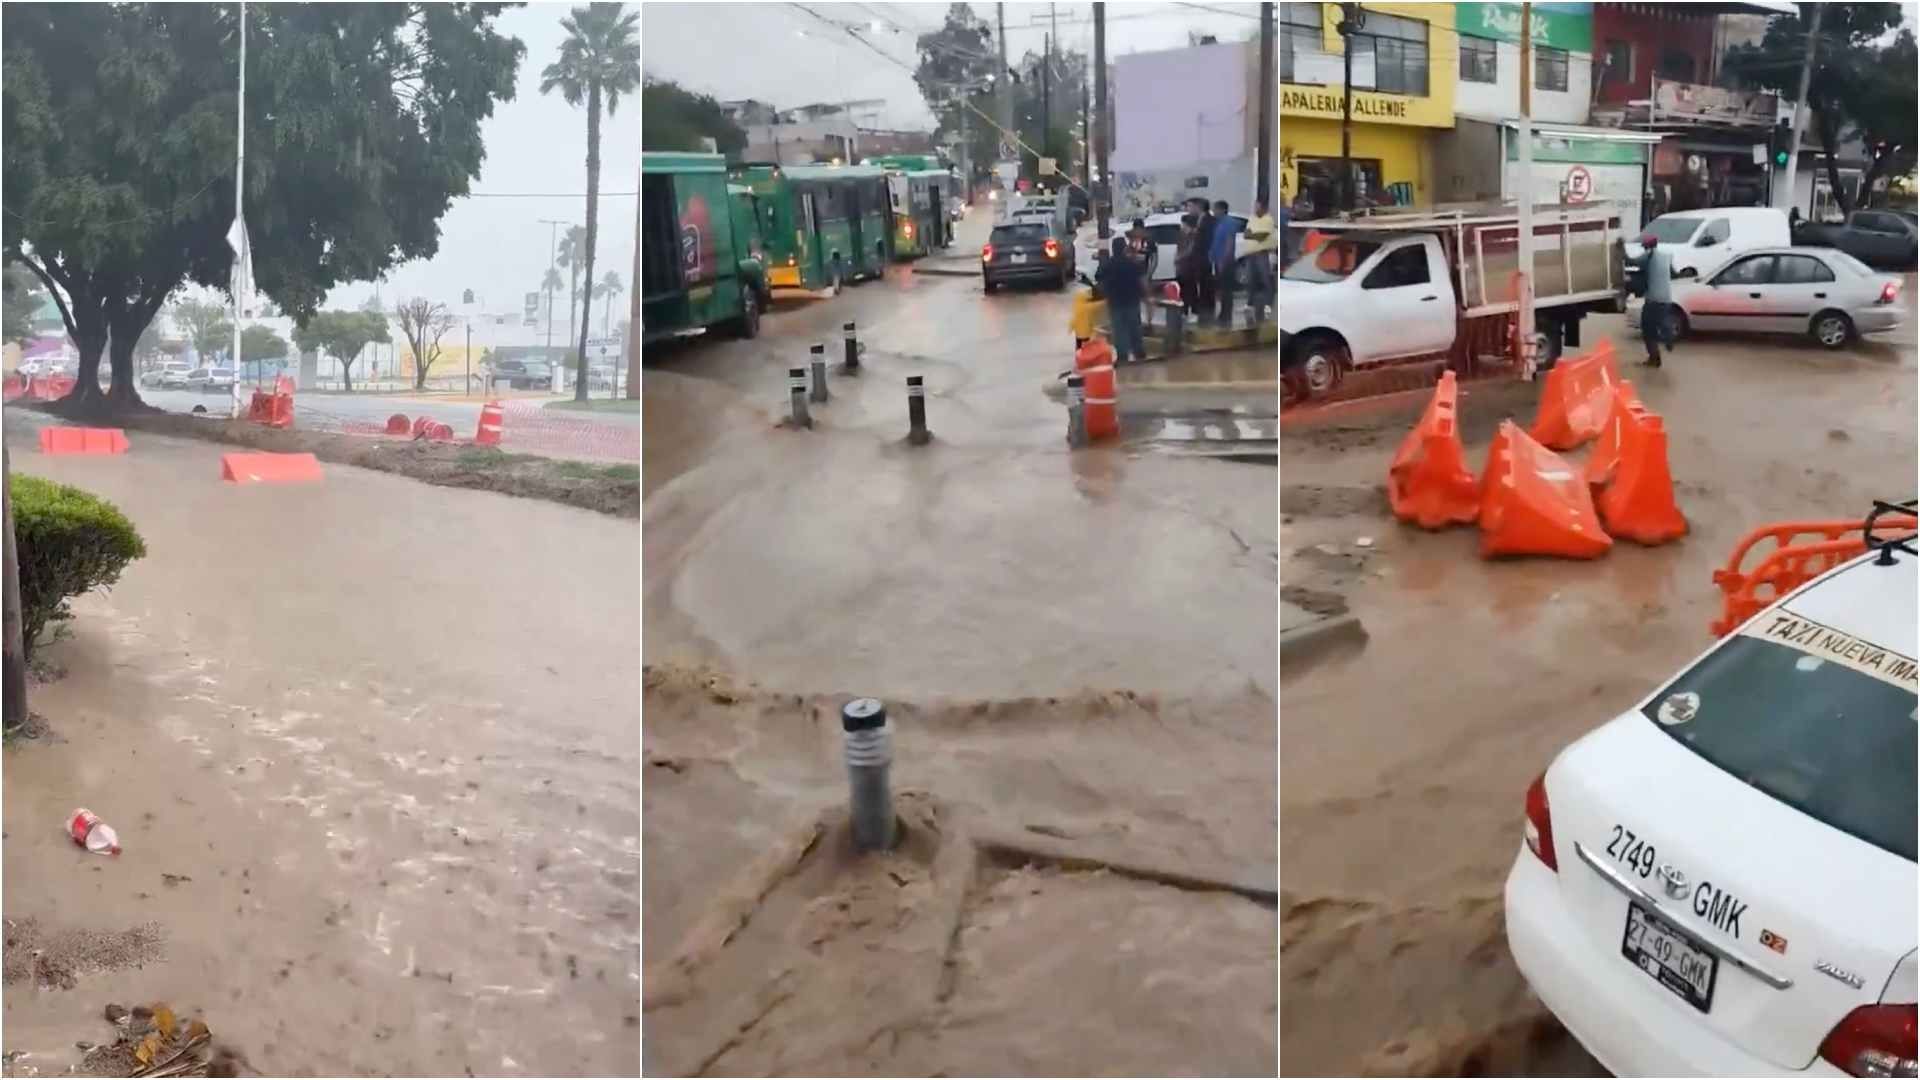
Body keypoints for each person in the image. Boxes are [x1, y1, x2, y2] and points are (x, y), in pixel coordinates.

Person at [1096, 235, 1146, 365]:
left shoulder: (1108, 265)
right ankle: (1139, 353)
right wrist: (1146, 295)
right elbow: (1141, 280)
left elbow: (1099, 279)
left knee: (1119, 330)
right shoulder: (1132, 264)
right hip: (1132, 300)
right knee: (1134, 327)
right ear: (1124, 248)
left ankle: (1123, 356)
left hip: (1115, 302)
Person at [1639, 232, 1675, 368]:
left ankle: (1654, 359)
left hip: (1653, 300)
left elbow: (1632, 261)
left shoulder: (1649, 255)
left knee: (1647, 330)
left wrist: (1620, 250)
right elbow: (1673, 273)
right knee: (1661, 321)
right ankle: (1668, 335)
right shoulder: (1667, 257)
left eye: (1644, 247)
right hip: (1667, 299)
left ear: (1647, 247)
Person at [1209, 199, 1245, 325]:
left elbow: (1229, 243)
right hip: (1218, 260)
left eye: (1216, 209)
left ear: (1223, 210)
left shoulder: (1229, 223)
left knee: (1226, 290)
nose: (1214, 212)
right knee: (1221, 289)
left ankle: (1226, 316)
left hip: (1226, 261)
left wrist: (1224, 261)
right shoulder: (1218, 223)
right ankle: (1223, 314)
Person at [1242, 199, 1276, 326]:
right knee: (1251, 280)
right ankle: (1250, 303)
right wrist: (1254, 235)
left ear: (1263, 208)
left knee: (1266, 280)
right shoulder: (1252, 218)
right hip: (1250, 253)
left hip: (1263, 254)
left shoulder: (1268, 219)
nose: (1255, 208)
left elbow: (1263, 236)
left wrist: (1253, 235)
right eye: (1255, 206)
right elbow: (1246, 234)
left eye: (1257, 206)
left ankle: (1268, 305)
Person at [1188, 197, 1218, 323]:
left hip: (1205, 258)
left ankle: (1206, 312)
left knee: (1205, 284)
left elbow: (1208, 240)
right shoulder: (1197, 220)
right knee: (1202, 284)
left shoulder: (1209, 220)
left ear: (1198, 206)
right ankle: (1204, 311)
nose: (1188, 209)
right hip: (1198, 257)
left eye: (1190, 206)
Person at [1175, 213, 1202, 319]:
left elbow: (1190, 250)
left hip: (1191, 266)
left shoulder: (1194, 236)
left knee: (1192, 289)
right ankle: (1184, 311)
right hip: (1181, 267)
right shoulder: (1181, 234)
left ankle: (1195, 311)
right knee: (1183, 290)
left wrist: (1180, 257)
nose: (1182, 226)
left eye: (1183, 224)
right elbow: (1179, 249)